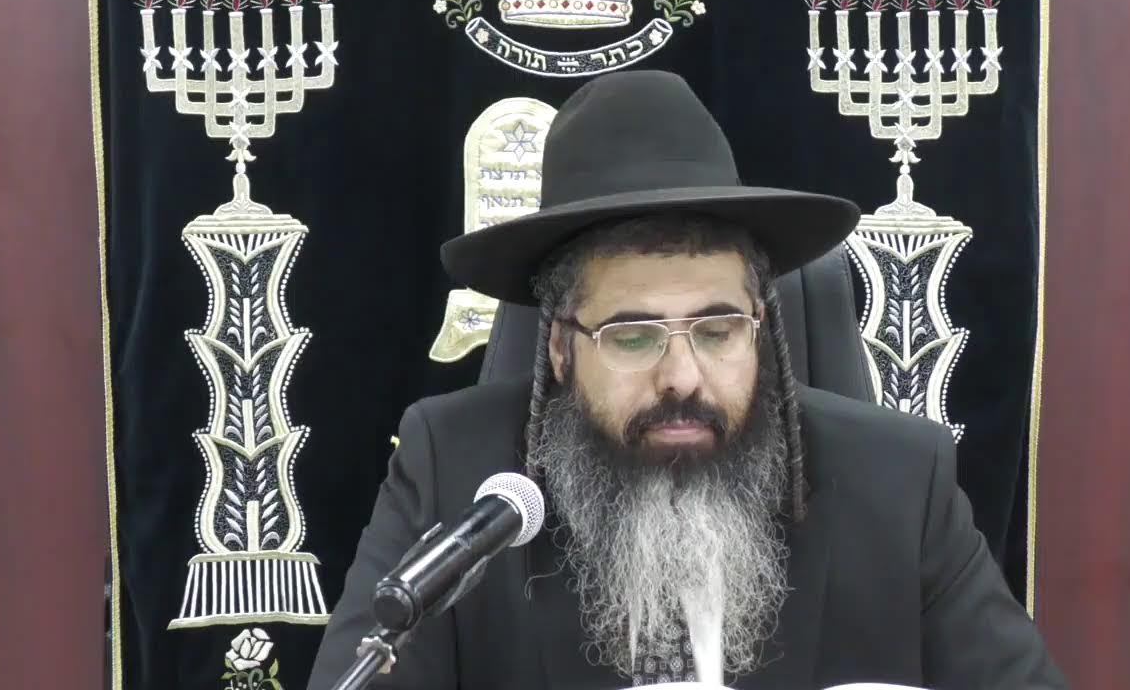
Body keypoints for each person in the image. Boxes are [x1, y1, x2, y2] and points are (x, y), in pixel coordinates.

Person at [306, 70, 1067, 690]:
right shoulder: (457, 473)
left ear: (760, 327)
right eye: (632, 336)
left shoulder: (898, 480)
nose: (681, 377)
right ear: (562, 348)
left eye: (717, 329)